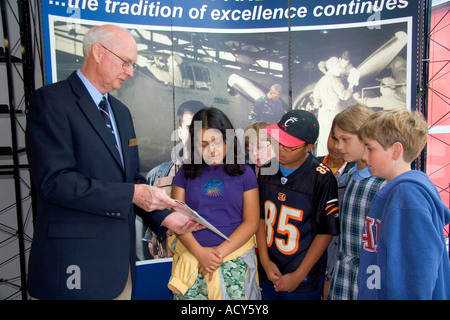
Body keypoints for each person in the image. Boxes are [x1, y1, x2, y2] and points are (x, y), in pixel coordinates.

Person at [25, 24, 199, 300]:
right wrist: (132, 193)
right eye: (126, 62)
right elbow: (54, 181)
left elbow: (131, 179)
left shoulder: (120, 112)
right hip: (73, 268)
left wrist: (167, 219)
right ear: (97, 52)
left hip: (120, 272)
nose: (130, 72)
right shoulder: (51, 102)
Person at [168, 107, 261, 300]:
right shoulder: (184, 174)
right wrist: (200, 253)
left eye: (217, 142)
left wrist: (216, 255)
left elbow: (251, 222)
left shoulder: (245, 173)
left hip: (234, 258)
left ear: (228, 139)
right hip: (194, 260)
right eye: (203, 145)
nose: (211, 150)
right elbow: (177, 220)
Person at [357, 109, 450, 300]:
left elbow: (416, 276)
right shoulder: (397, 191)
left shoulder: (408, 197)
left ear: (396, 151)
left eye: (370, 148)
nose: (364, 156)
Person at [256, 110, 340, 300]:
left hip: (303, 277)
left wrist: (299, 275)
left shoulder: (322, 178)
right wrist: (265, 260)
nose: (281, 150)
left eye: (289, 146)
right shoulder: (267, 169)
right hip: (268, 270)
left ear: (308, 146)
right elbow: (260, 217)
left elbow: (326, 232)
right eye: (277, 142)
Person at [327, 104, 386, 300]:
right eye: (336, 139)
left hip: (371, 277)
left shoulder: (384, 184)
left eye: (346, 139)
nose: (338, 146)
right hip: (342, 275)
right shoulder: (348, 177)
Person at [141, 100, 206, 259]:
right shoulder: (158, 176)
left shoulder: (224, 176)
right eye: (189, 127)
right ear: (180, 131)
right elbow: (150, 234)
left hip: (206, 262)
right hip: (166, 264)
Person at [317, 130, 355, 299]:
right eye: (333, 137)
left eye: (345, 140)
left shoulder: (355, 177)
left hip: (336, 261)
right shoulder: (311, 165)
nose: (336, 146)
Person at [312, 56, 360, 155]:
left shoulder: (322, 80)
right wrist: (351, 85)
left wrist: (322, 104)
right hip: (334, 113)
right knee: (336, 138)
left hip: (323, 115)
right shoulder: (334, 80)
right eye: (339, 67)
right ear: (333, 67)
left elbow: (315, 97)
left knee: (324, 139)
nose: (341, 70)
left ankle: (322, 162)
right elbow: (344, 96)